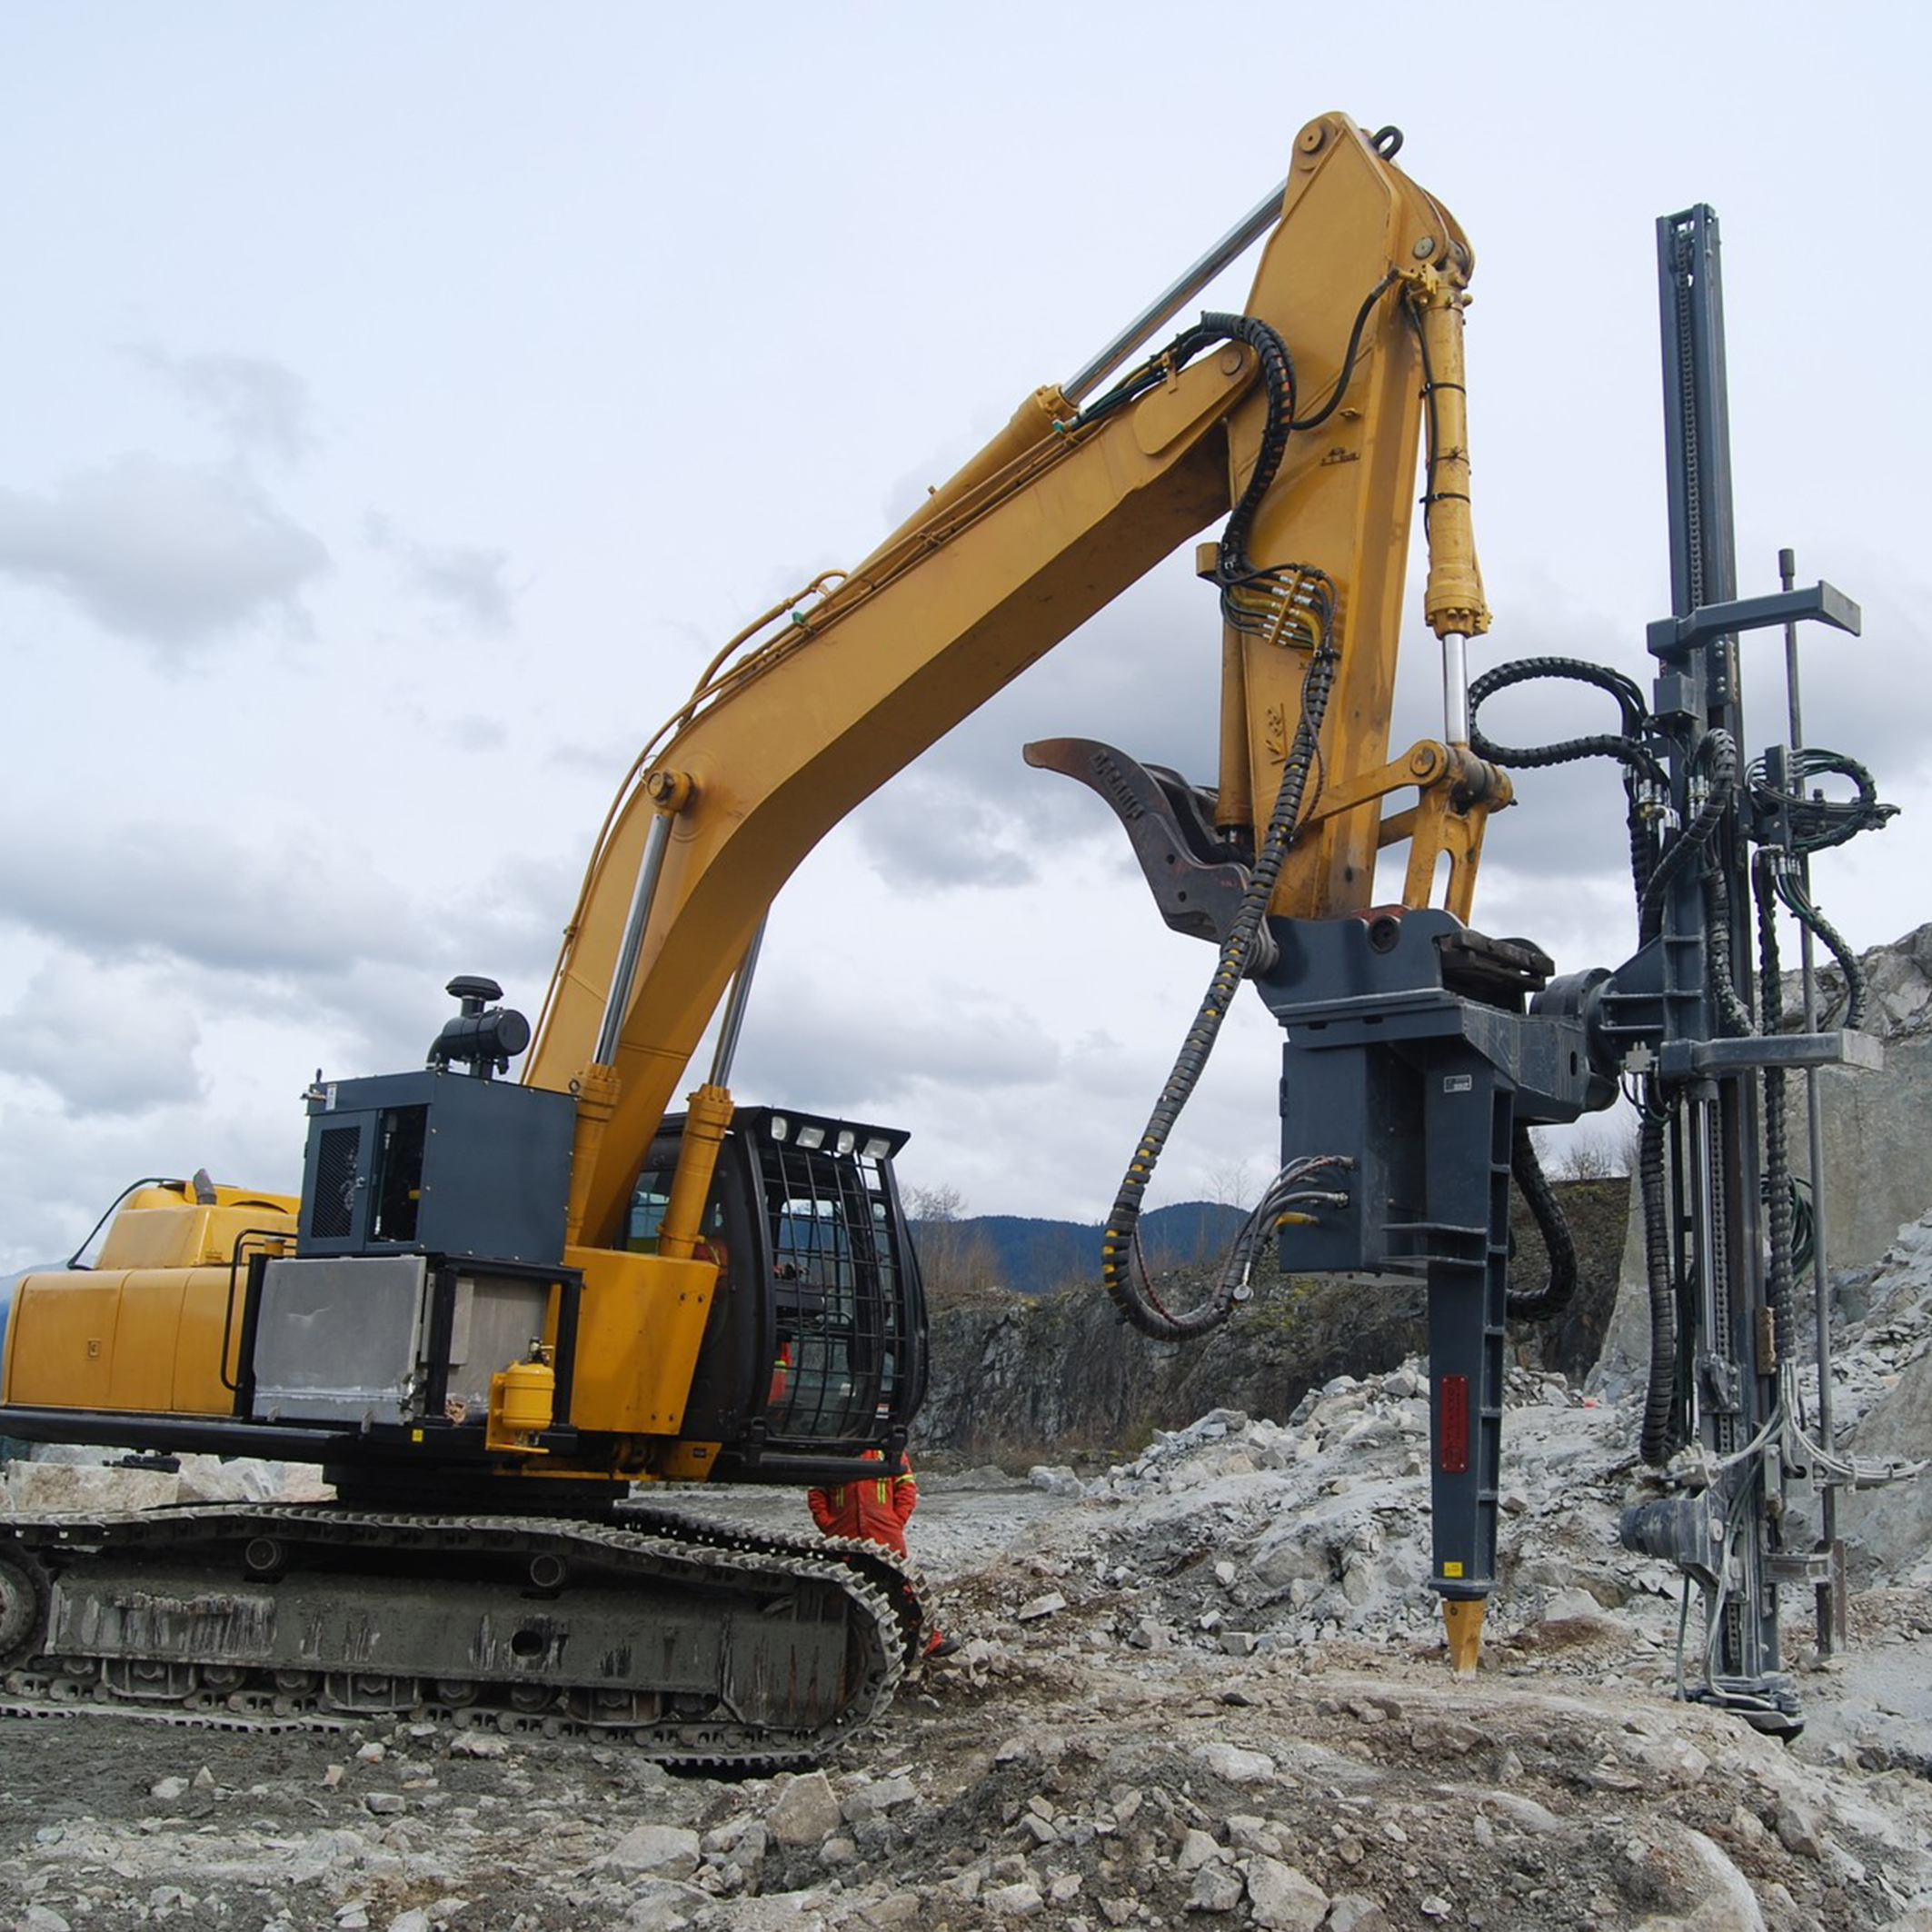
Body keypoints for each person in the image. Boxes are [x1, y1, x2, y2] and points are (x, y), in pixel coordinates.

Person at [807, 1448, 959, 1658]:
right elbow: (817, 1491)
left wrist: (896, 1521)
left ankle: (927, 1640)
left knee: (903, 1587)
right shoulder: (834, 1451)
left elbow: (906, 1488)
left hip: (883, 1532)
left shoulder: (887, 1449)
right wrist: (828, 1523)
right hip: (844, 1534)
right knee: (840, 1588)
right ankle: (842, 1640)